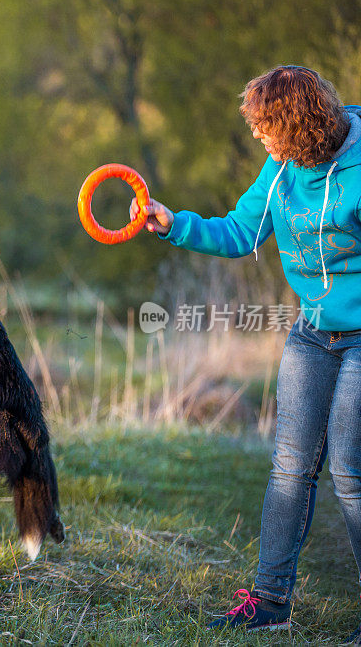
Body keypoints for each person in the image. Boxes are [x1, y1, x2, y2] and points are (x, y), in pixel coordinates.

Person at [129, 65, 361, 641]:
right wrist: (171, 223)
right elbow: (240, 232)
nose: (258, 137)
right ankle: (270, 601)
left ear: (297, 126)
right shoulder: (281, 165)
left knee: (351, 475)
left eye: (265, 128)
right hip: (312, 333)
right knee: (289, 468)